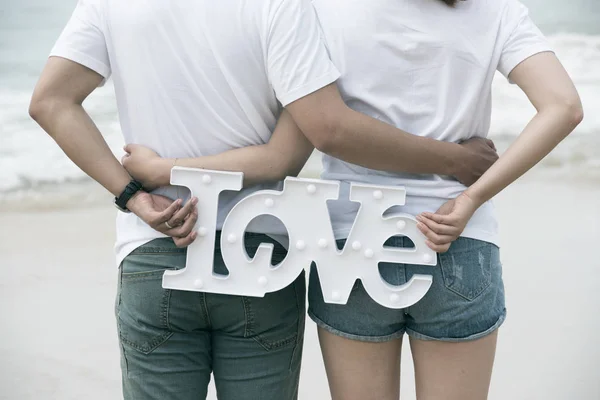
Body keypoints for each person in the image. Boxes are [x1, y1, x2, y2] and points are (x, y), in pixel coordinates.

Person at [29, 0, 498, 399]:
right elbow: (287, 155)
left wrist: (135, 193)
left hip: (156, 251)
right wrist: (453, 159)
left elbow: (50, 102)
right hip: (259, 257)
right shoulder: (283, 6)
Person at [119, 0, 583, 399]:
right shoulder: (492, 9)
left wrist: (165, 168)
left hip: (350, 245)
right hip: (456, 236)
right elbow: (563, 106)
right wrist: (474, 193)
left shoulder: (322, 8)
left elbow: (319, 133)